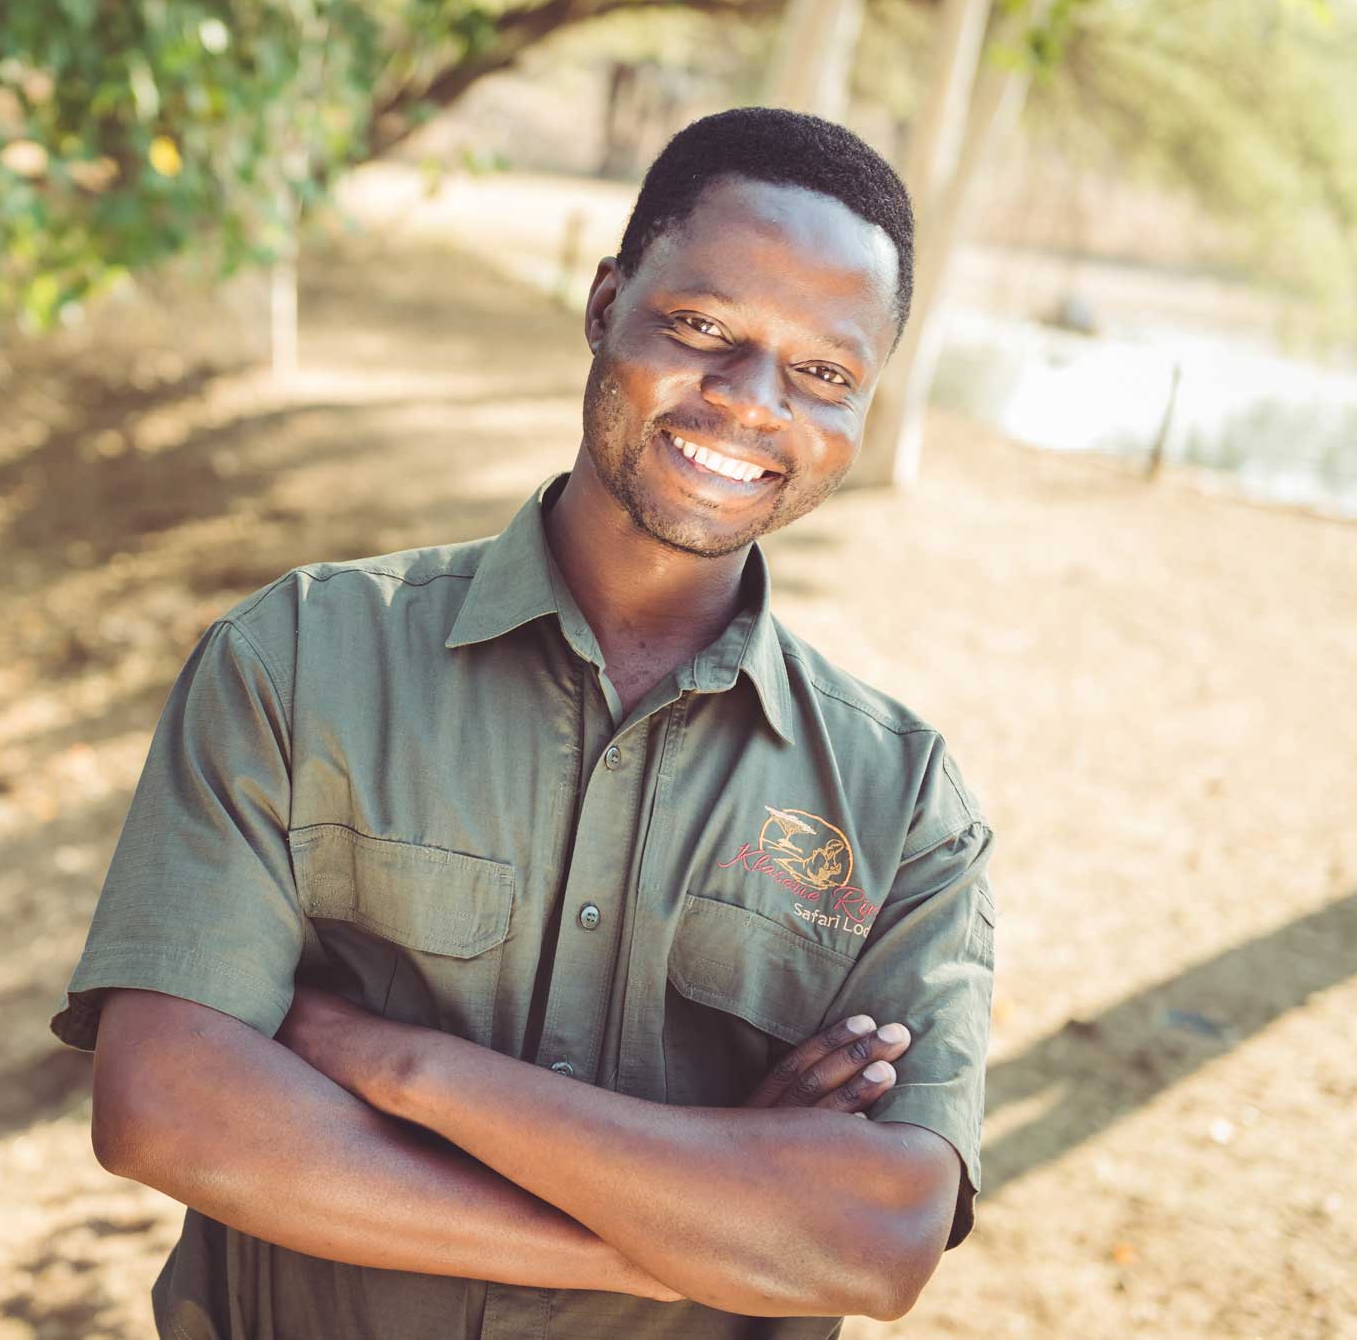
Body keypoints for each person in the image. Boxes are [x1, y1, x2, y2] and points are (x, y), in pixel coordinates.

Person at [50, 107, 996, 1338]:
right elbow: (166, 1111)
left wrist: (400, 1066)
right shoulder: (300, 657)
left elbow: (871, 1245)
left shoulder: (901, 805)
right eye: (703, 328)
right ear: (605, 305)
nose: (749, 403)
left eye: (823, 373)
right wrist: (691, 1243)